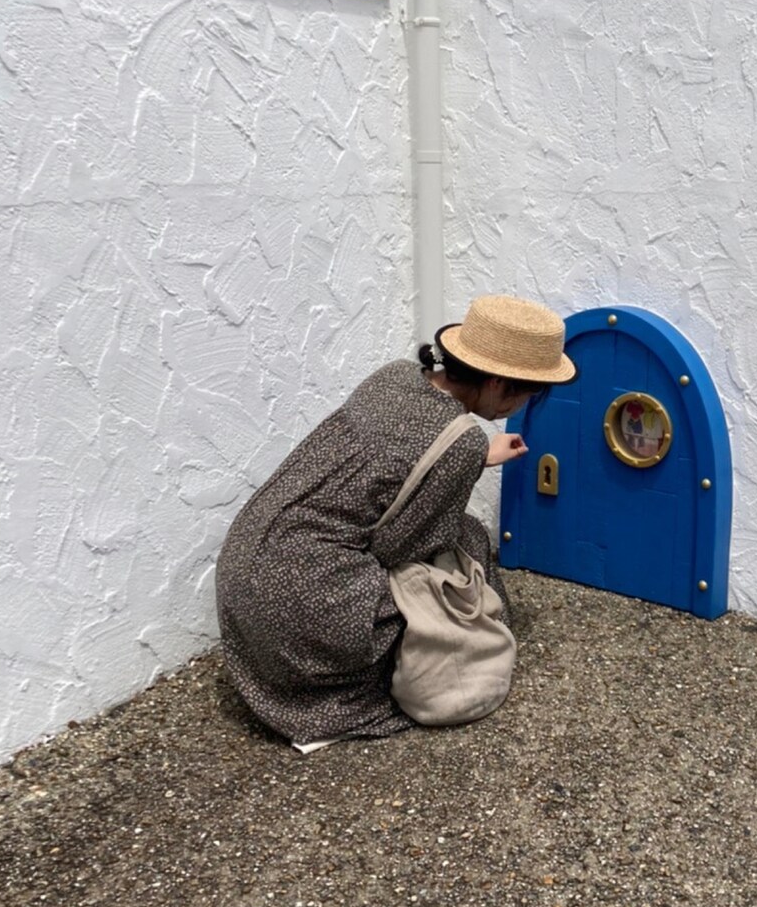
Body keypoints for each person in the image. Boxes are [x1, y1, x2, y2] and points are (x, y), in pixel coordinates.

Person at [216, 295, 577, 747]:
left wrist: (475, 458)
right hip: (298, 599)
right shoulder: (461, 444)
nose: (526, 404)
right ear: (499, 382)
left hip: (249, 562)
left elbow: (390, 458)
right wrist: (467, 459)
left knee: (463, 532)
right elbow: (400, 551)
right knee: (457, 562)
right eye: (531, 391)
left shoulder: (396, 376)